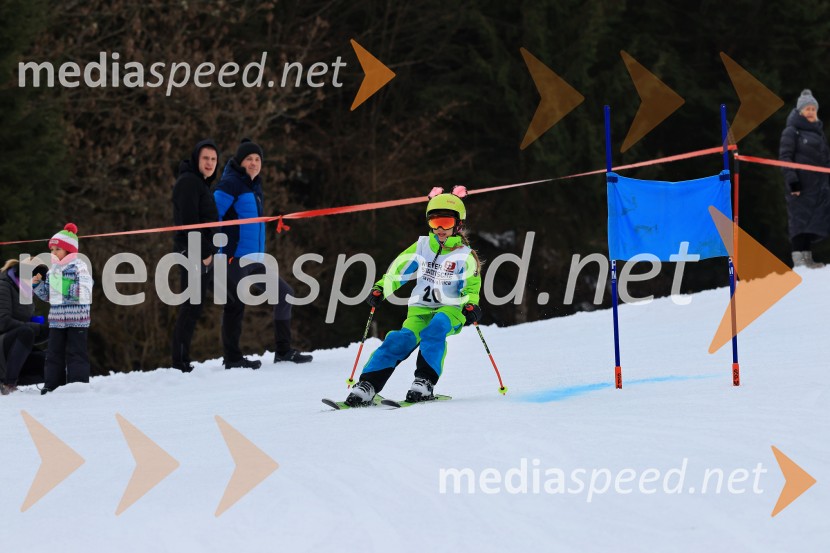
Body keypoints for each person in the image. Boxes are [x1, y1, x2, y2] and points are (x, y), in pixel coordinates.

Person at [344, 189, 482, 407]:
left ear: (458, 224)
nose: (439, 229)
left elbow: (471, 287)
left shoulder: (465, 255)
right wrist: (382, 288)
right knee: (400, 340)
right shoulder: (422, 246)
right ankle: (367, 385)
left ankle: (424, 382)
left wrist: (471, 304)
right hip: (420, 309)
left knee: (436, 328)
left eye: (445, 222)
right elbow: (399, 270)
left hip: (452, 309)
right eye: (434, 222)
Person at [213, 138, 312, 369]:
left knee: (284, 294)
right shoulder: (230, 184)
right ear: (240, 161)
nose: (254, 163)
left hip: (255, 258)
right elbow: (212, 215)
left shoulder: (254, 187)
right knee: (235, 303)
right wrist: (216, 248)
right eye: (249, 159)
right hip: (233, 256)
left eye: (257, 159)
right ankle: (232, 358)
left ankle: (283, 351)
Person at [171, 139, 219, 372]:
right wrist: (205, 252)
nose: (209, 163)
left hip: (202, 253)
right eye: (205, 158)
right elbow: (190, 222)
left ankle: (182, 359)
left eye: (213, 159)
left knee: (196, 306)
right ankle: (179, 362)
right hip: (192, 252)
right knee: (191, 306)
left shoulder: (201, 184)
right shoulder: (189, 182)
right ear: (196, 159)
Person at [33, 223, 93, 394]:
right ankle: (52, 384)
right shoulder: (53, 272)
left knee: (76, 353)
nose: (53, 253)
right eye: (52, 250)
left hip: (77, 320)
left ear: (69, 250)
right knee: (53, 353)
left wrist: (63, 285)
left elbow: (85, 292)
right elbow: (49, 296)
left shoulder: (80, 267)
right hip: (57, 320)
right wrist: (38, 286)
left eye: (57, 249)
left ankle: (78, 385)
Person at [779, 89, 830, 268]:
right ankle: (798, 259)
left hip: (818, 189)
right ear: (800, 111)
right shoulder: (792, 131)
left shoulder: (818, 133)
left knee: (813, 222)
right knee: (799, 222)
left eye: (813, 109)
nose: (810, 112)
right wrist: (793, 181)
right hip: (799, 187)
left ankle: (808, 258)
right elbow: (785, 157)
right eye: (807, 109)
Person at [0, 259, 48, 394]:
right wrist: (34, 327)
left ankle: (57, 383)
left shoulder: (26, 291)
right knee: (26, 332)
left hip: (13, 344)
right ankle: (8, 384)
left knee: (48, 360)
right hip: (3, 346)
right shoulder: (3, 285)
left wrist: (46, 329)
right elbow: (3, 321)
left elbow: (25, 331)